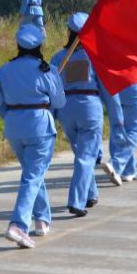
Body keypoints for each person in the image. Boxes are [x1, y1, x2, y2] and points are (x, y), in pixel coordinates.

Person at [0, 25, 65, 249]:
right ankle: (18, 225)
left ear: (18, 45)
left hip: (14, 126)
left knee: (32, 174)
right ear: (40, 46)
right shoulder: (47, 70)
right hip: (39, 127)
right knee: (33, 176)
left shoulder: (5, 70)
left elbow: (0, 105)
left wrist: (14, 116)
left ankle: (42, 218)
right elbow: (60, 102)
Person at [50, 13, 101, 216]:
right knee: (86, 156)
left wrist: (52, 115)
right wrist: (115, 113)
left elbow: (52, 88)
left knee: (82, 154)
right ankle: (76, 201)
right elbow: (105, 87)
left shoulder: (57, 57)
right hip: (89, 107)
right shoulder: (95, 54)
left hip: (66, 109)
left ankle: (91, 193)